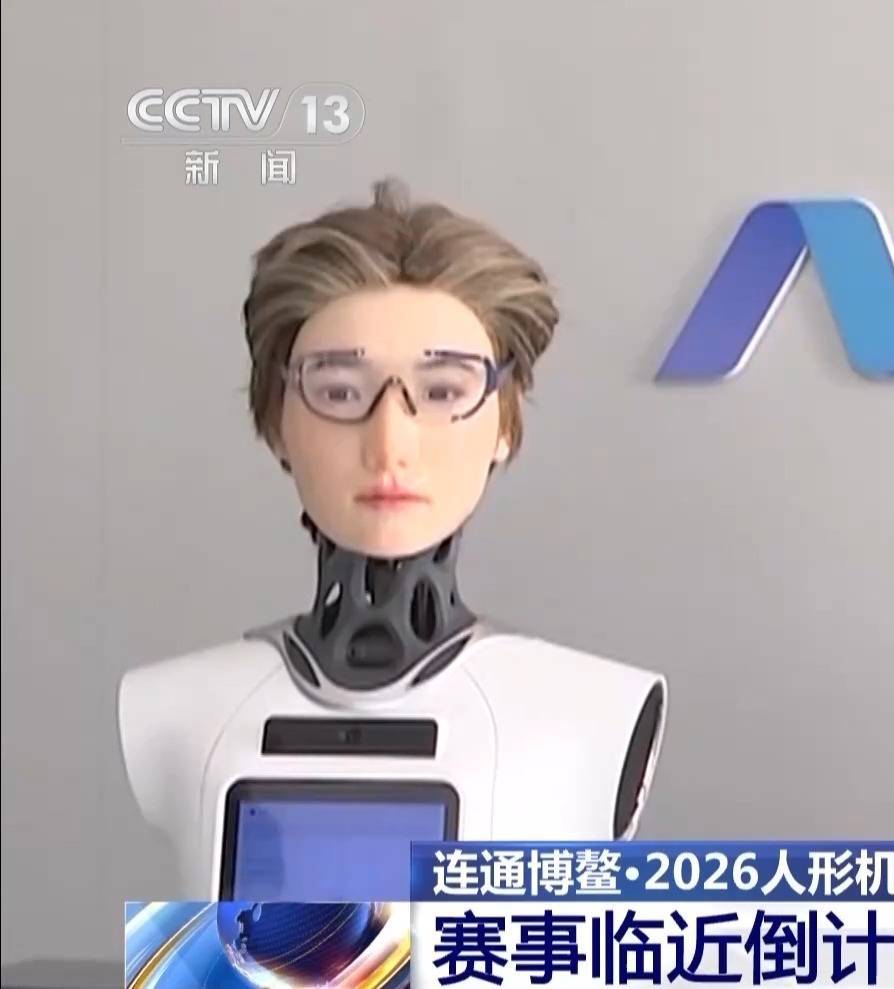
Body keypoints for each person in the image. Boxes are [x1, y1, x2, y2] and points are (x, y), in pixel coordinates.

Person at [118, 179, 669, 899]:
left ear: (503, 425)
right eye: (340, 391)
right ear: (277, 423)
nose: (390, 444)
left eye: (442, 392)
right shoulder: (175, 705)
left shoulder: (594, 710)